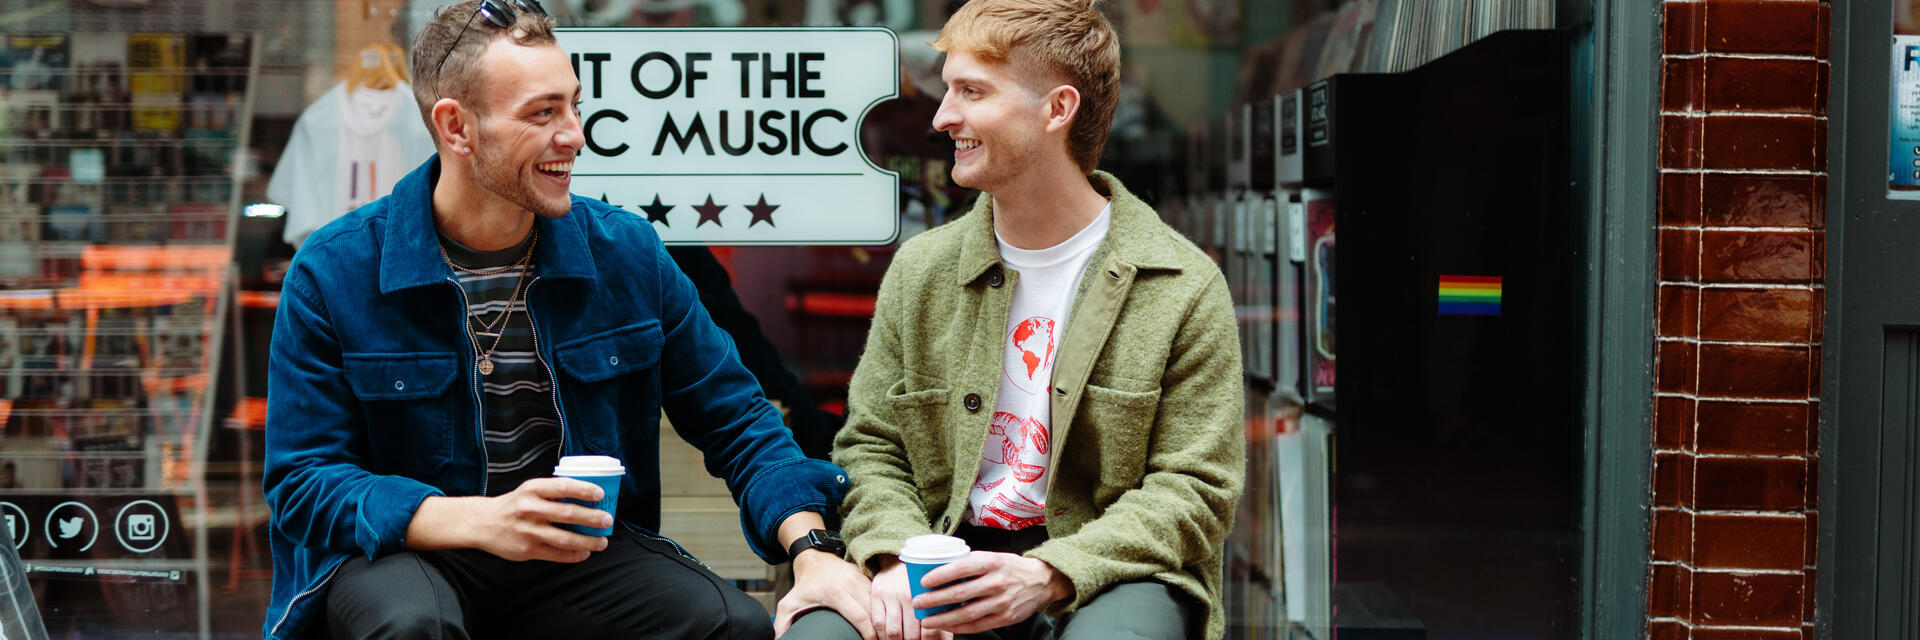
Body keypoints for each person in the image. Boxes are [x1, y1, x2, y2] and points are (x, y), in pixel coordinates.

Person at [261, 1, 875, 638]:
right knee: (410, 624)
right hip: (408, 554)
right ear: (457, 127)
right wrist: (485, 519)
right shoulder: (335, 270)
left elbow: (738, 419)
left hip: (574, 555)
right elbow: (305, 482)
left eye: (574, 105)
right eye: (542, 112)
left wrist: (814, 552)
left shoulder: (626, 253)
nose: (575, 134)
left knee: (732, 624)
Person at [787, 0, 1246, 638]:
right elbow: (871, 446)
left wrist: (1052, 572)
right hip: (939, 555)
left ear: (1057, 110)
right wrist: (896, 557)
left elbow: (1195, 489)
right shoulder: (922, 271)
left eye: (972, 91)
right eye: (947, 90)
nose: (944, 117)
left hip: (1108, 574)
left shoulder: (1180, 285)